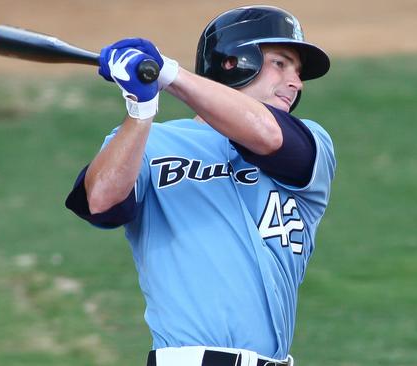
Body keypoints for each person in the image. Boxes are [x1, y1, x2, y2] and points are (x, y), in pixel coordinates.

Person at [65, 5, 335, 366]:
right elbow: (101, 202)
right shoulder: (152, 143)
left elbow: (266, 134)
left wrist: (170, 74)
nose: (296, 83)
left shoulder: (311, 144)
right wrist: (140, 111)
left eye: (298, 73)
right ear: (233, 62)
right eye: (282, 64)